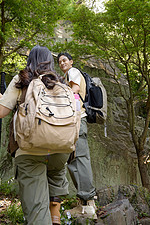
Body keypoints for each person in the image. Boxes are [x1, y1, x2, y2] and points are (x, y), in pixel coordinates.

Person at [0, 45, 70, 225]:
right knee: (56, 172)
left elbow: (1, 112)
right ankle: (55, 212)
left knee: (37, 210)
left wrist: (0, 98)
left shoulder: (22, 79)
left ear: (30, 61)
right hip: (60, 149)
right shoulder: (60, 81)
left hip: (30, 150)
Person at [57, 52, 97, 219]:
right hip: (75, 122)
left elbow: (75, 90)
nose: (62, 63)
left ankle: (88, 206)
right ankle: (84, 203)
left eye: (64, 60)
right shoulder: (68, 75)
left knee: (79, 160)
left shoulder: (73, 72)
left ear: (71, 61)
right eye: (59, 61)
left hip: (77, 121)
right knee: (74, 160)